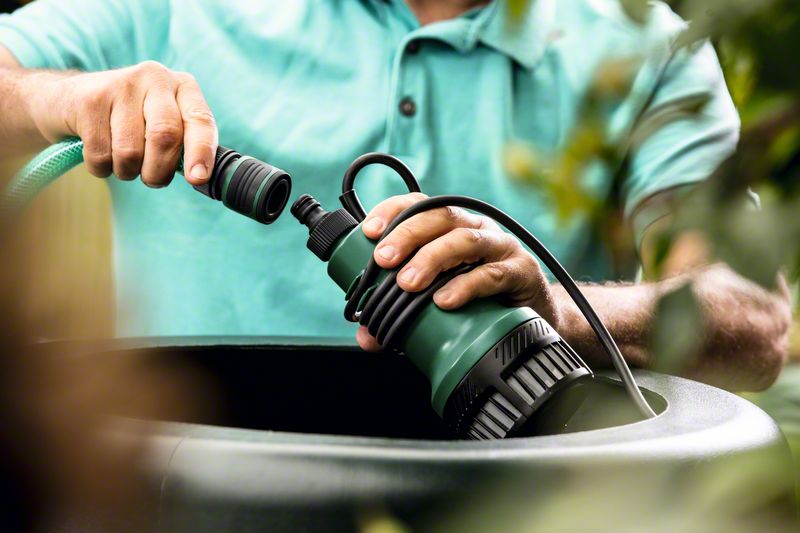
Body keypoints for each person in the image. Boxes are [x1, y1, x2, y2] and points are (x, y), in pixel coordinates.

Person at [0, 0, 790, 391]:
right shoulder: (171, 8)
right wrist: (58, 98)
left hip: (513, 496)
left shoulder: (645, 48)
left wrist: (554, 312)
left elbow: (754, 317)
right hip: (190, 483)